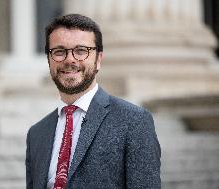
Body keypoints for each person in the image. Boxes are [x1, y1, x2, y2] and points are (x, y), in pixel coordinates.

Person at [25, 14, 161, 189]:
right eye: (59, 52)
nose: (70, 59)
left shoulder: (134, 121)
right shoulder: (36, 134)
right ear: (49, 60)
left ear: (98, 59)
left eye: (81, 51)